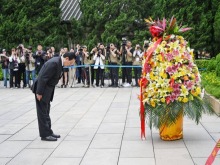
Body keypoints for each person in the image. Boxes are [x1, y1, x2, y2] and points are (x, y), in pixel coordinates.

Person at [31, 52, 76, 141]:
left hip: (47, 90)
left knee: (46, 111)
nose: (70, 65)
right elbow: (42, 77)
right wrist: (39, 92)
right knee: (42, 113)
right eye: (70, 63)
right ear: (67, 58)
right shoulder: (54, 63)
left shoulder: (59, 63)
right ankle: (45, 135)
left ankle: (49, 131)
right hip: (42, 90)